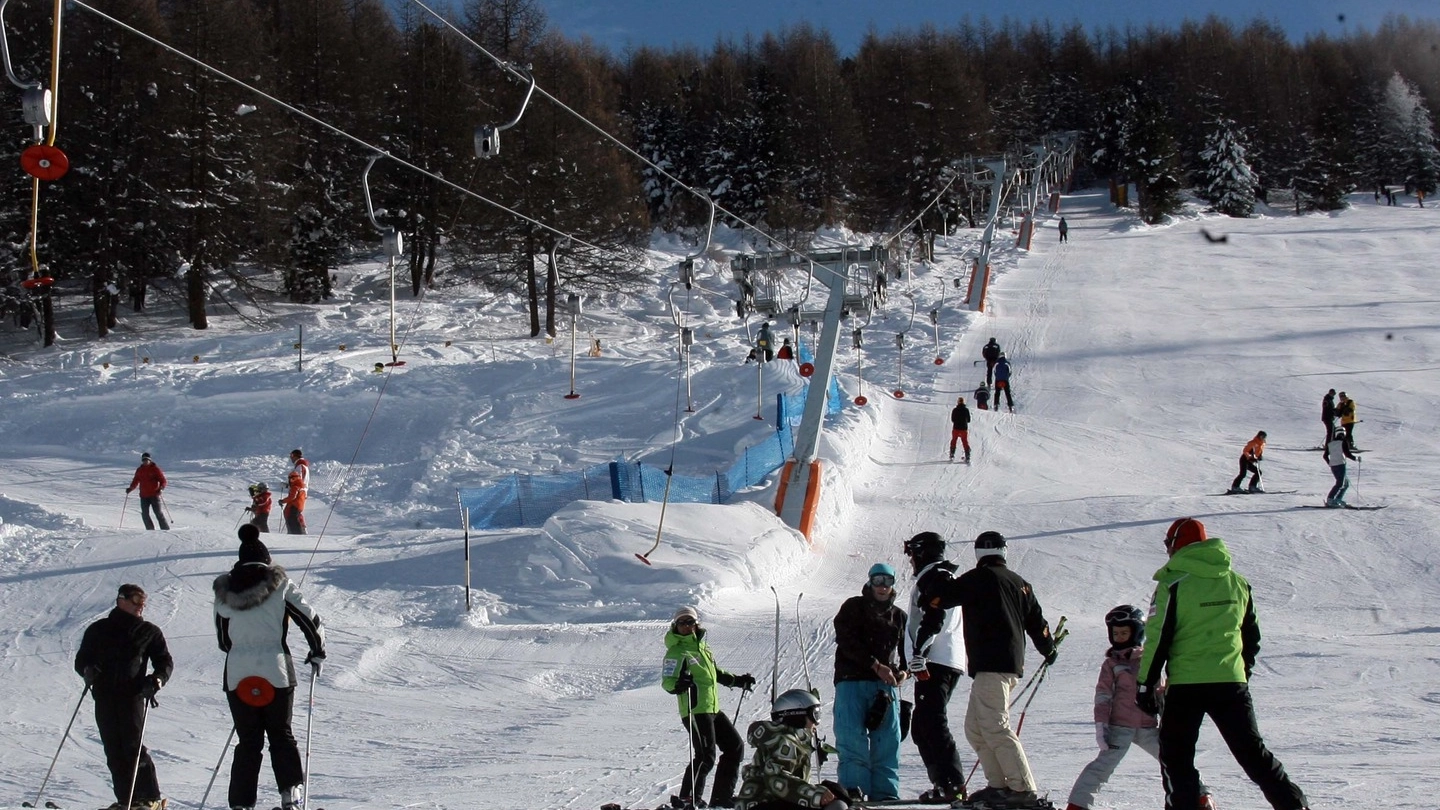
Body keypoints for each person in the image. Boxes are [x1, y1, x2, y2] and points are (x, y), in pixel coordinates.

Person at [1136, 519, 1311, 810]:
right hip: (1230, 682)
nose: (1167, 551)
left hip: (1186, 685)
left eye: (1168, 544)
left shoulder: (1173, 583)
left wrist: (1145, 685)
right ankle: (1293, 804)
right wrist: (1240, 671)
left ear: (1178, 543)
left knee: (1176, 756)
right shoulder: (1237, 581)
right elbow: (1251, 636)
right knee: (1252, 753)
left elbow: (1158, 638)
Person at [932, 532, 1058, 808]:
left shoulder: (977, 579)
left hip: (992, 664)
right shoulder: (1020, 583)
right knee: (975, 728)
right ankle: (999, 784)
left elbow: (941, 598)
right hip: (1004, 666)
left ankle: (1022, 788)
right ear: (1004, 551)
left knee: (994, 726)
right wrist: (1048, 649)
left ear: (978, 553)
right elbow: (1038, 623)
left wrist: (936, 575)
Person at [215, 526, 326, 810]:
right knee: (280, 732)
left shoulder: (224, 591)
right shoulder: (281, 584)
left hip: (238, 672)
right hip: (276, 667)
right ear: (266, 560)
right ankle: (291, 794)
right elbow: (309, 620)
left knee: (248, 740)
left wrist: (240, 651)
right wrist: (317, 651)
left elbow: (223, 638)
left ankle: (241, 803)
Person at [1064, 607, 1214, 810]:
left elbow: (1159, 692)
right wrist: (1101, 725)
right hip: (1120, 727)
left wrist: (1170, 717)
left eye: (1124, 633)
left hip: (1147, 727)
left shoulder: (1149, 660)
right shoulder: (1112, 664)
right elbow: (1103, 696)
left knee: (1175, 759)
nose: (1119, 637)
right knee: (1101, 767)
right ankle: (1077, 804)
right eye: (1115, 633)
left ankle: (1200, 796)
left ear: (1136, 633)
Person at [74, 583, 173, 810]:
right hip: (104, 694)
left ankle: (149, 798)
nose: (141, 606)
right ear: (122, 600)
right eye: (136, 601)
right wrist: (87, 670)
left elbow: (164, 661)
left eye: (144, 602)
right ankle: (125, 799)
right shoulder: (99, 630)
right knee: (113, 747)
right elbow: (82, 659)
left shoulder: (148, 631)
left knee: (132, 746)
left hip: (133, 695)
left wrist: (157, 679)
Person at [662, 606, 755, 809]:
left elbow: (715, 672)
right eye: (682, 622)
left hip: (712, 708)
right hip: (695, 709)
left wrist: (738, 681)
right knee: (705, 756)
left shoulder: (703, 648)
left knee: (734, 747)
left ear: (697, 624)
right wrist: (678, 685)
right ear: (675, 626)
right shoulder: (677, 651)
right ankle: (688, 799)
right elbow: (667, 680)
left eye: (690, 622)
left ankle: (721, 798)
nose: (687, 626)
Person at [832, 563, 908, 801]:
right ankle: (854, 789)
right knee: (851, 737)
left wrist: (903, 672)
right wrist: (875, 665)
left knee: (887, 741)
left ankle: (885, 793)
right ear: (869, 582)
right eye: (878, 580)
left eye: (887, 581)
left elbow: (907, 651)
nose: (883, 587)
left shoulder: (899, 616)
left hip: (884, 687)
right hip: (851, 681)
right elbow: (847, 640)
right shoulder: (853, 607)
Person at [903, 533, 968, 804]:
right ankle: (945, 784)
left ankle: (952, 785)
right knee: (922, 724)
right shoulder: (939, 575)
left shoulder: (936, 576)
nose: (910, 562)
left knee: (931, 721)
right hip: (939, 659)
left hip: (935, 660)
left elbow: (934, 615)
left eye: (912, 555)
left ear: (921, 553)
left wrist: (921, 651)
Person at [735, 689, 850, 810]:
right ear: (797, 716)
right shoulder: (785, 741)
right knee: (837, 806)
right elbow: (776, 778)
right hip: (762, 805)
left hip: (767, 803)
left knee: (834, 791)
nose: (817, 724)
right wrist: (815, 795)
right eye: (815, 715)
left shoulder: (788, 739)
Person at [126, 452, 169, 531]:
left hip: (154, 495)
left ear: (150, 460)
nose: (145, 461)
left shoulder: (155, 469)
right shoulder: (140, 470)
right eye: (143, 460)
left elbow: (163, 480)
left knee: (158, 513)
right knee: (145, 514)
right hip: (143, 496)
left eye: (146, 460)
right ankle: (150, 531)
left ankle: (165, 530)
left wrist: (161, 488)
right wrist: (130, 488)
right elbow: (135, 481)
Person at [1322, 424, 1359, 507]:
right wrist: (1356, 458)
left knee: (1344, 483)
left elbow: (1325, 456)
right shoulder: (1343, 442)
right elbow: (1347, 454)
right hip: (1341, 464)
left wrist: (1330, 463)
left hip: (1333, 466)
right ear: (1344, 433)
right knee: (1340, 484)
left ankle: (1337, 499)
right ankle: (1330, 500)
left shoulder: (1330, 443)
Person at [279, 449, 309, 535]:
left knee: (290, 513)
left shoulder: (300, 466)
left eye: (291, 456)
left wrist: (288, 486)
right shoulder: (303, 466)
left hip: (298, 492)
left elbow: (297, 480)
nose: (291, 459)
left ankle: (296, 531)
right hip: (301, 492)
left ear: (294, 456)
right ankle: (298, 530)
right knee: (294, 512)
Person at [948, 397, 971, 462]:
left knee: (954, 440)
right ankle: (967, 455)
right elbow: (969, 420)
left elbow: (952, 419)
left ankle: (952, 454)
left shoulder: (955, 410)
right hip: (964, 428)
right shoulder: (966, 410)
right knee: (965, 441)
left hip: (956, 428)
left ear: (958, 402)